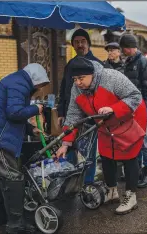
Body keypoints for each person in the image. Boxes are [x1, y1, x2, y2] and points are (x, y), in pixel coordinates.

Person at [56, 57, 147, 215]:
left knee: (129, 156)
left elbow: (135, 96)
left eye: (81, 78)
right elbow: (72, 115)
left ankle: (131, 196)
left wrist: (114, 109)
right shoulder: (77, 88)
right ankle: (112, 192)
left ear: (91, 74)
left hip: (129, 118)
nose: (77, 83)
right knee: (106, 155)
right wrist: (66, 143)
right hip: (104, 123)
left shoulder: (111, 77)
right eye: (74, 79)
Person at [0, 63, 50, 234]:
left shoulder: (16, 81)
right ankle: (15, 225)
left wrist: (30, 129)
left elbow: (11, 113)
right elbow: (14, 112)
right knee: (12, 175)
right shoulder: (20, 83)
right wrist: (37, 108)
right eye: (41, 85)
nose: (40, 89)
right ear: (36, 79)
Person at [57, 28, 103, 185]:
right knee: (69, 147)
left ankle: (87, 183)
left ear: (88, 43)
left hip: (89, 116)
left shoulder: (96, 65)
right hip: (71, 113)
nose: (80, 45)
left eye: (83, 41)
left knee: (87, 151)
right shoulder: (70, 64)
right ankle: (71, 180)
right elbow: (64, 89)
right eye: (76, 42)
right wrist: (61, 111)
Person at [119, 33, 147, 188]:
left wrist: (145, 109)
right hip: (132, 109)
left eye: (124, 48)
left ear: (129, 47)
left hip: (142, 109)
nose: (122, 51)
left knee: (146, 142)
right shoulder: (129, 62)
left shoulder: (143, 63)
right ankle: (140, 171)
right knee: (137, 141)